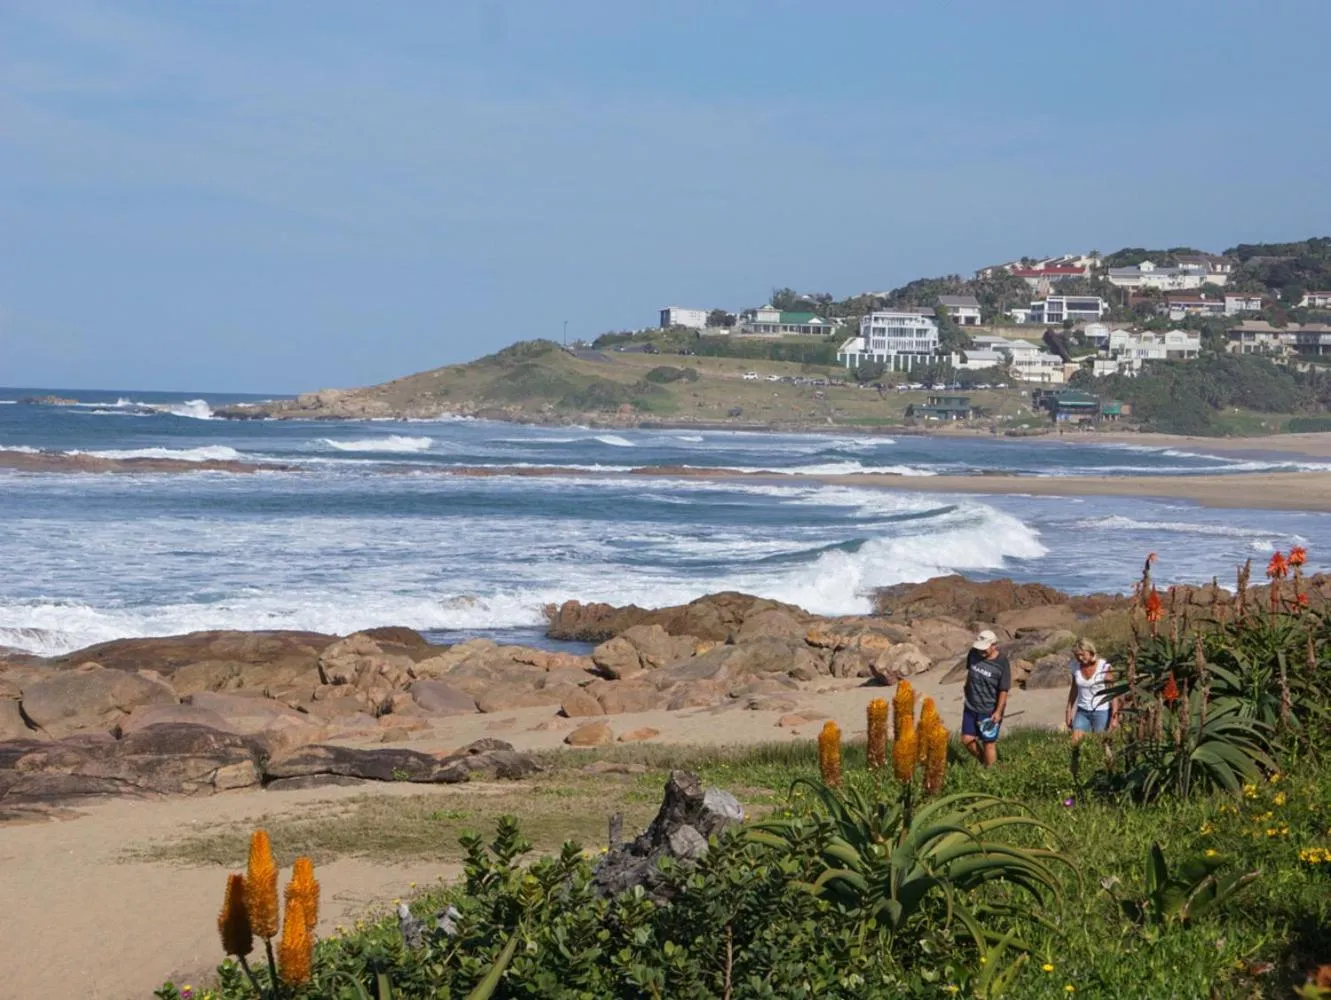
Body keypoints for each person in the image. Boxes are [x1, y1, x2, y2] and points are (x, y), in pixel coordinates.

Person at [961, 629, 1010, 768]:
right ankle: (984, 761)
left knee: (988, 743)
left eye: (984, 648)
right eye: (979, 648)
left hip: (989, 710)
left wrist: (998, 712)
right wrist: (966, 688)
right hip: (971, 706)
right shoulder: (973, 653)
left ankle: (992, 773)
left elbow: (1004, 690)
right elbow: (970, 672)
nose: (980, 651)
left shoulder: (1002, 662)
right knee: (966, 739)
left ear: (994, 645)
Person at [1064, 638, 1119, 744]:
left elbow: (1113, 692)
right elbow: (1074, 690)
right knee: (1075, 741)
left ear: (1090, 651)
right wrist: (1069, 711)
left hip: (1101, 712)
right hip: (1082, 711)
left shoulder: (1104, 666)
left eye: (1082, 654)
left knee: (1100, 743)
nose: (1080, 658)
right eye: (1077, 655)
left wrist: (1114, 716)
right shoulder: (1075, 666)